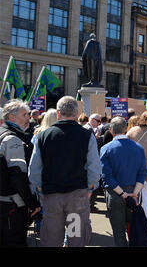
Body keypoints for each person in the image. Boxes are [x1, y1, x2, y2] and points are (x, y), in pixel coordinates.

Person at [28, 96, 102, 247]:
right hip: (77, 197)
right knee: (75, 238)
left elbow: (34, 169)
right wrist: (90, 188)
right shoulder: (87, 135)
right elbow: (94, 166)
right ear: (76, 113)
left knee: (51, 239)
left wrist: (38, 189)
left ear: (58, 112)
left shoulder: (43, 135)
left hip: (52, 196)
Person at [100, 117, 147, 247]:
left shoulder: (106, 149)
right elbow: (142, 173)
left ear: (110, 130)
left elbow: (106, 176)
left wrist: (122, 194)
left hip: (114, 194)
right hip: (133, 192)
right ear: (126, 128)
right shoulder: (139, 148)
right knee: (133, 229)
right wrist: (134, 194)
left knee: (118, 231)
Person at [0, 100, 40, 246]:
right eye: (24, 115)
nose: (28, 118)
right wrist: (32, 202)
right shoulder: (12, 139)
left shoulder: (3, 133)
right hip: (12, 205)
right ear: (11, 118)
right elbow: (18, 176)